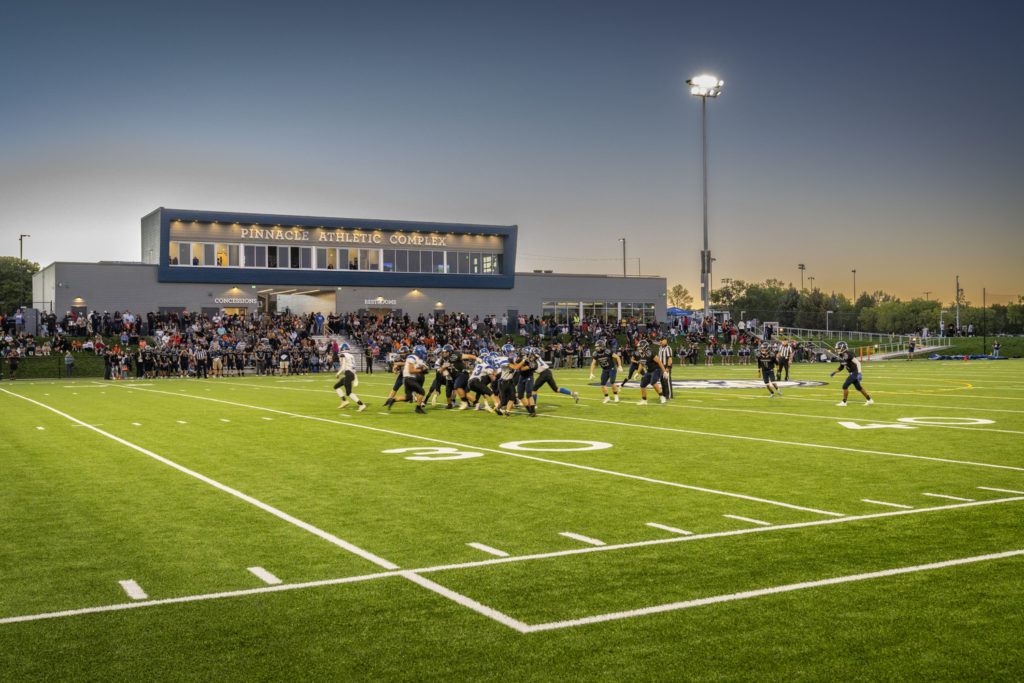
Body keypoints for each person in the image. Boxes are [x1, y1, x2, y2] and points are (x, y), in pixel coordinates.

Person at [831, 341, 874, 406]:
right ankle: (869, 400)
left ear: (843, 348)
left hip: (854, 372)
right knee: (859, 388)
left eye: (839, 348)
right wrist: (834, 372)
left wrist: (859, 373)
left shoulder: (849, 354)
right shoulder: (840, 355)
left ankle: (844, 402)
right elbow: (841, 367)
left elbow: (858, 363)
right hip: (851, 373)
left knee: (845, 386)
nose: (837, 350)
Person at [333, 343, 366, 411]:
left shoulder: (343, 355)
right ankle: (344, 401)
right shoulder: (351, 356)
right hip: (351, 374)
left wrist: (338, 373)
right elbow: (353, 368)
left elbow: (343, 366)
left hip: (348, 374)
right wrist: (355, 377)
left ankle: (361, 404)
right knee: (336, 386)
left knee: (349, 393)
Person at [589, 339, 622, 403]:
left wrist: (619, 366)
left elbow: (617, 357)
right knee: (602, 384)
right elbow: (593, 363)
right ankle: (607, 397)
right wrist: (591, 373)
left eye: (598, 346)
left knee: (612, 382)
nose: (596, 348)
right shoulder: (596, 353)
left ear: (602, 346)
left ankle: (616, 396)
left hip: (611, 368)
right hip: (604, 369)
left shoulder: (607, 351)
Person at [635, 340, 667, 405]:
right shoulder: (641, 354)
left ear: (644, 347)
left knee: (653, 382)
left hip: (657, 369)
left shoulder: (650, 352)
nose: (639, 348)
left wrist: (664, 371)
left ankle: (662, 396)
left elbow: (659, 362)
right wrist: (637, 373)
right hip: (649, 371)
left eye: (640, 347)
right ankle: (644, 400)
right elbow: (641, 363)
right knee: (642, 384)